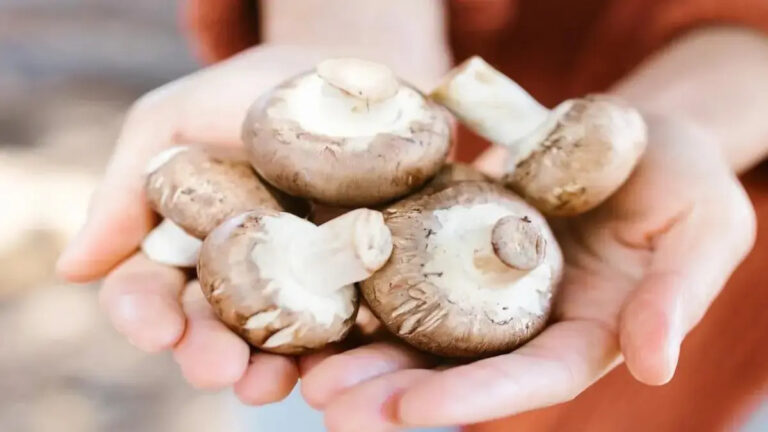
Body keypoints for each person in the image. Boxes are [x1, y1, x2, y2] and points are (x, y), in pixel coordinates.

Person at [56, 1, 768, 431]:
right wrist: (352, 26)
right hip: (335, 358)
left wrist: (697, 119)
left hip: (729, 330)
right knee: (333, 403)